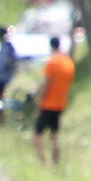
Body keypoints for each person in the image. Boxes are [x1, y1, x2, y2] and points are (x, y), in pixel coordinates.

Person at [33, 37, 75, 166]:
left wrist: (39, 103)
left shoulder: (52, 63)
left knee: (35, 137)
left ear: (51, 46)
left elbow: (47, 85)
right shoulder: (69, 63)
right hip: (61, 104)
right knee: (54, 135)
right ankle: (55, 163)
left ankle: (43, 163)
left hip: (48, 104)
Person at [0, 25, 18, 122]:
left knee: (0, 97)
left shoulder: (8, 46)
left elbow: (12, 61)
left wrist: (8, 65)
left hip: (4, 76)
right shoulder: (3, 44)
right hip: (0, 75)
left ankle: (1, 118)